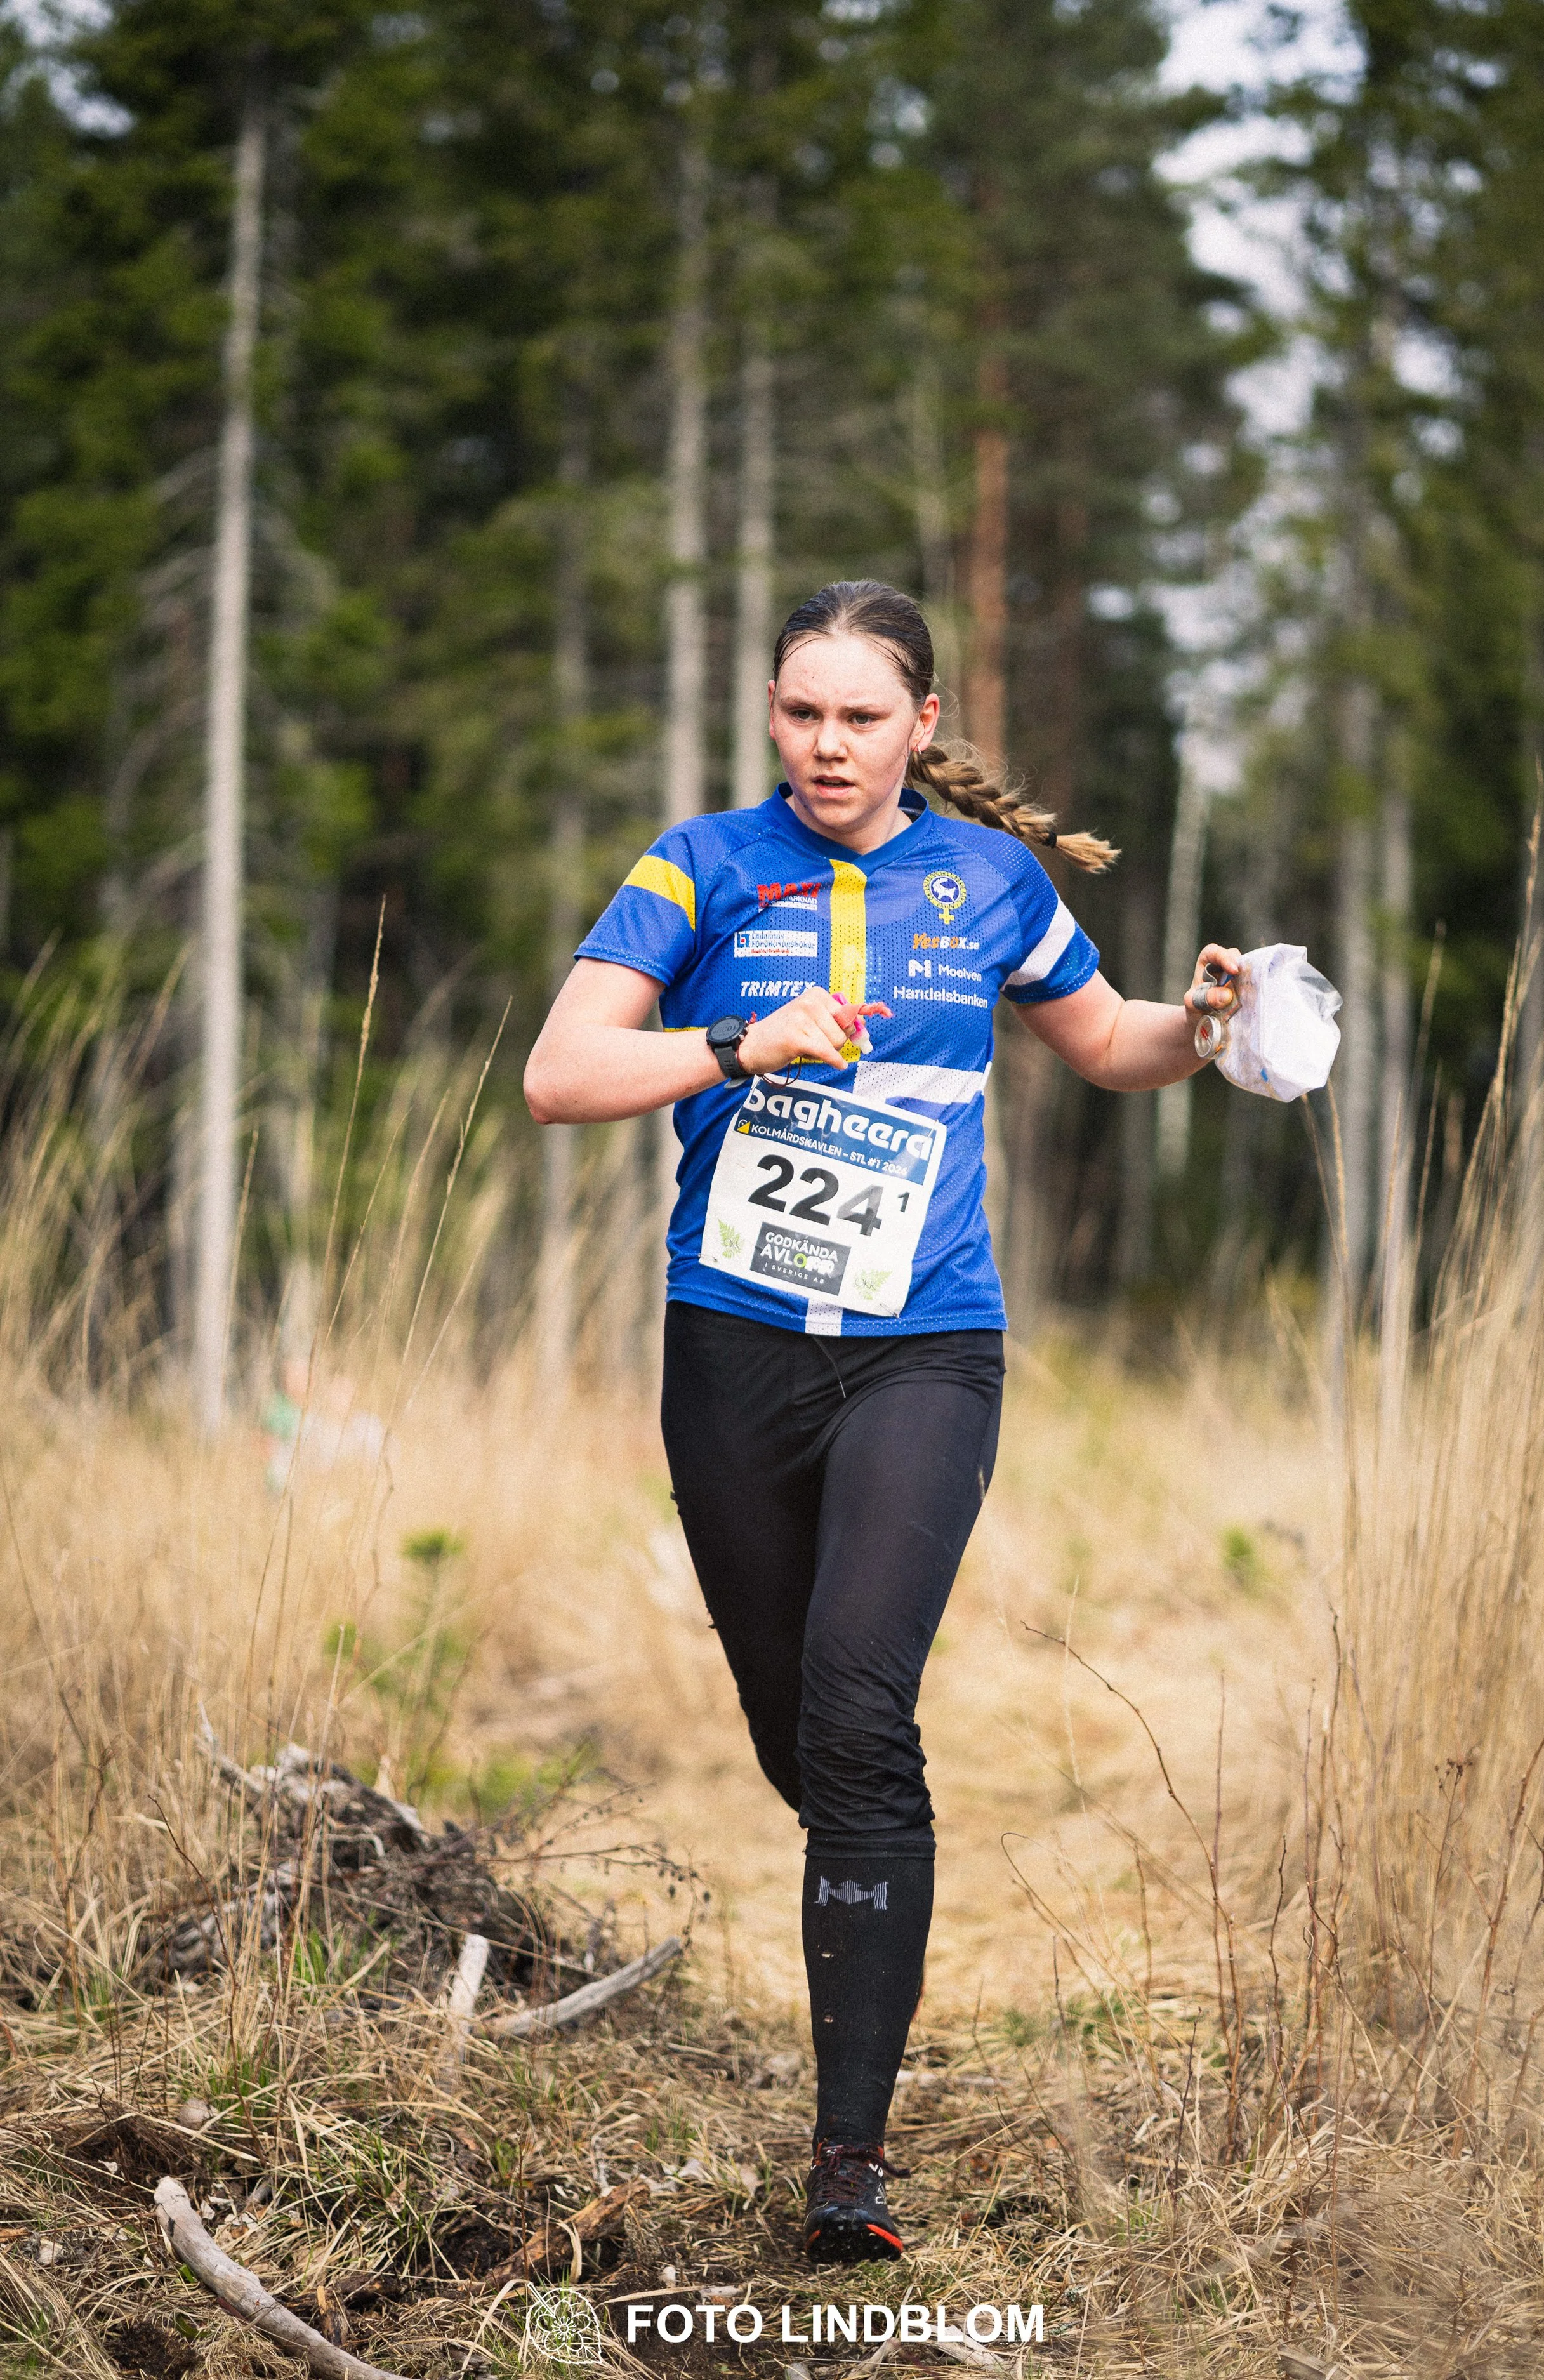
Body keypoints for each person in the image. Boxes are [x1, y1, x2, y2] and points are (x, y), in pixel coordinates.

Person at [523, 580, 1239, 2265]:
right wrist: (730, 1038)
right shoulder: (695, 865)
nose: (825, 745)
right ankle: (876, 1894)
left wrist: (1202, 1026)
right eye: (798, 712)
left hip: (924, 1348)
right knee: (801, 1741)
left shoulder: (990, 880)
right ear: (770, 715)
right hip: (732, 1348)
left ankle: (847, 2159)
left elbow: (1109, 1041)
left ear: (923, 724)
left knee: (857, 1708)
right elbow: (560, 1073)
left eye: (858, 716)